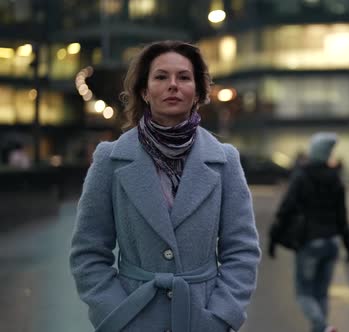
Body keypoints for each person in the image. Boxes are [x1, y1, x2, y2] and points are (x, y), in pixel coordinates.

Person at [69, 40, 261, 332]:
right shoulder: (111, 160)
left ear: (197, 91)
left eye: (184, 77)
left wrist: (222, 316)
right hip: (133, 317)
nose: (173, 85)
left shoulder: (225, 161)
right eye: (161, 77)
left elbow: (242, 250)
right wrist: (116, 316)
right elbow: (88, 252)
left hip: (203, 318)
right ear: (144, 91)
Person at [268, 132, 349, 332]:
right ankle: (322, 329)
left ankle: (322, 326)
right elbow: (343, 219)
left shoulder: (302, 176)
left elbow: (286, 209)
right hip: (332, 243)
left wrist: (273, 239)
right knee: (321, 294)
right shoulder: (336, 180)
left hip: (310, 242)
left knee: (304, 294)